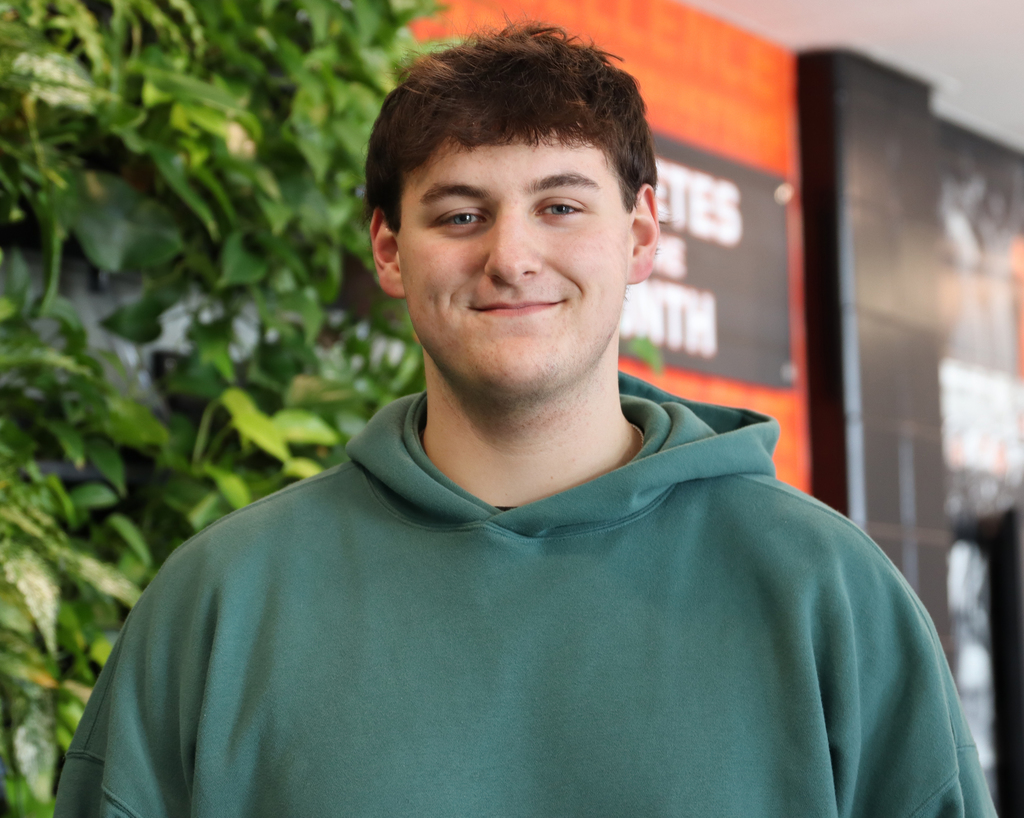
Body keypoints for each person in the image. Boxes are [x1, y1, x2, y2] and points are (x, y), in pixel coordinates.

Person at [56, 24, 995, 818]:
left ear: (639, 236)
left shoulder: (829, 593)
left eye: (559, 206)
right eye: (460, 215)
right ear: (389, 250)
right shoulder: (218, 602)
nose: (512, 256)